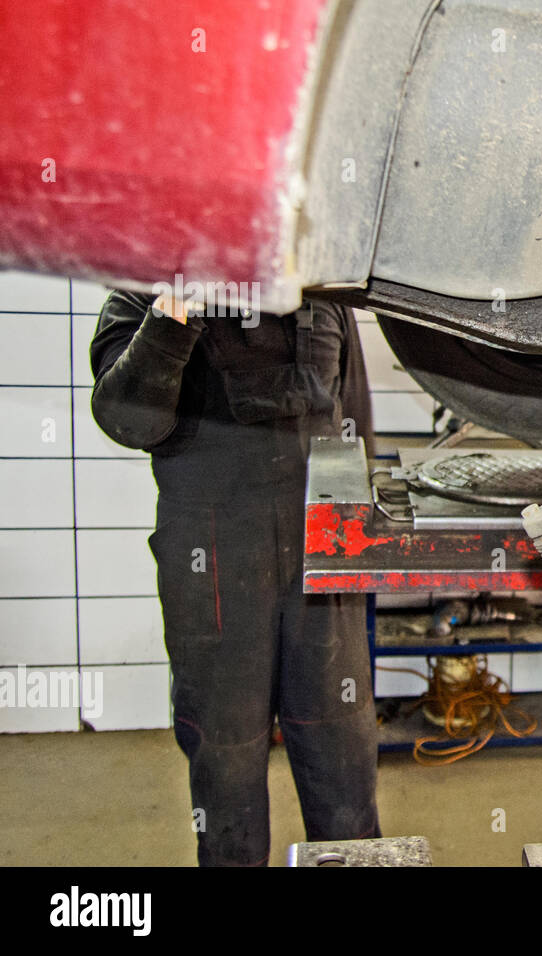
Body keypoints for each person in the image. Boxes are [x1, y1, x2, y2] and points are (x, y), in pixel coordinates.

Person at [90, 289, 381, 866]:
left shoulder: (323, 295)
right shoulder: (140, 294)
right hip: (215, 568)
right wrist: (173, 313)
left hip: (319, 562)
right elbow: (126, 420)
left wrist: (358, 541)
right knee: (227, 765)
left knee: (343, 754)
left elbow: (353, 421)